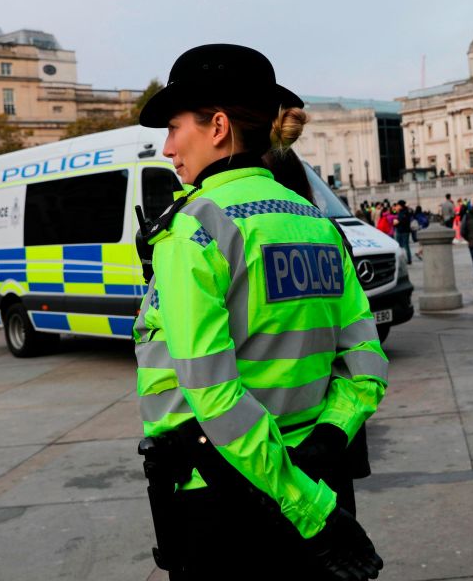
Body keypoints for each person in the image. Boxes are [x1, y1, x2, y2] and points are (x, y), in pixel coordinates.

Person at [132, 44, 385, 579]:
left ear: (218, 126)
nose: (168, 147)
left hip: (224, 495)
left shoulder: (193, 229)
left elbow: (213, 394)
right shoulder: (318, 223)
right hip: (321, 477)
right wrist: (330, 438)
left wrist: (303, 505)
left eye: (175, 128)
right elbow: (365, 360)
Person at [392, 200, 413, 264]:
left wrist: (396, 222)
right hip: (404, 230)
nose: (396, 207)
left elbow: (401, 221)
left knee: (404, 245)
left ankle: (406, 259)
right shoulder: (405, 211)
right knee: (405, 245)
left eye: (398, 205)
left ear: (400, 206)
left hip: (402, 230)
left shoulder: (403, 212)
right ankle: (408, 259)